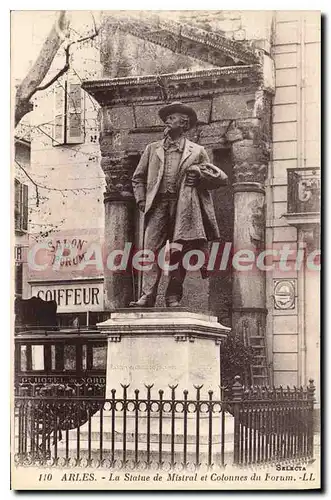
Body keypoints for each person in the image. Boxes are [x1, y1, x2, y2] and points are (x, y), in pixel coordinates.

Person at [130, 101, 228, 307]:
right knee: (150, 250)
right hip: (158, 206)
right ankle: (147, 295)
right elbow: (137, 178)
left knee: (179, 252)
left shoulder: (198, 151)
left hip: (185, 208)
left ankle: (173, 296)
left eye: (172, 118)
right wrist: (141, 200)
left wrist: (199, 177)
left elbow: (216, 179)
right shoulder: (152, 149)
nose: (167, 121)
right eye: (167, 118)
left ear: (184, 124)